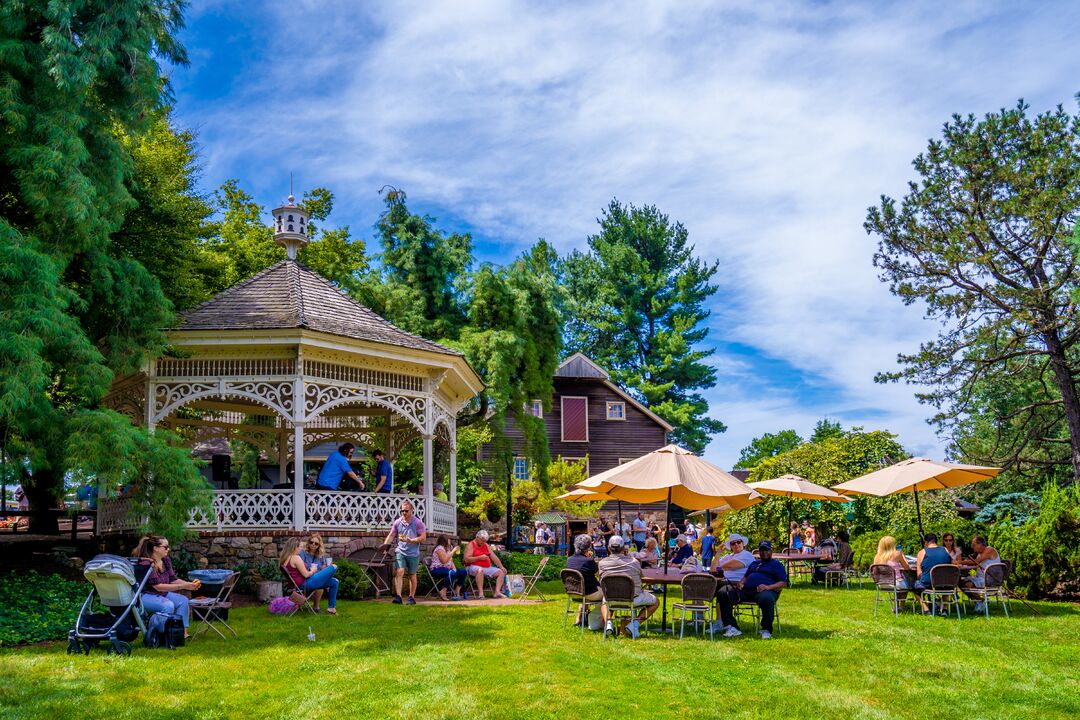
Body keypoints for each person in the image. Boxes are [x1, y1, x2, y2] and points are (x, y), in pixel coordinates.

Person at [713, 540, 787, 639]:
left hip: (765, 591)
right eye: (762, 550)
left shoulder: (776, 565)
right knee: (723, 593)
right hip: (747, 590)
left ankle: (766, 629)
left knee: (766, 598)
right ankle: (732, 627)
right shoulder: (755, 564)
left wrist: (767, 587)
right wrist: (741, 583)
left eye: (766, 550)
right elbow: (746, 576)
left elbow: (784, 583)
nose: (764, 552)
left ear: (771, 551)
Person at [135, 534, 197, 637]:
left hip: (161, 594)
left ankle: (181, 633)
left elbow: (173, 580)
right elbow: (158, 586)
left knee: (183, 600)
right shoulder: (147, 563)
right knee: (168, 605)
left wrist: (188, 584)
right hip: (144, 596)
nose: (168, 549)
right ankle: (161, 635)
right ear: (155, 548)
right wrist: (182, 586)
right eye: (165, 547)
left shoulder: (165, 560)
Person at [597, 535, 658, 638]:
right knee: (656, 601)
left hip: (611, 598)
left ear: (608, 548)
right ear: (623, 548)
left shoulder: (602, 563)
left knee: (604, 600)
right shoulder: (634, 562)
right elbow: (641, 577)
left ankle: (608, 624)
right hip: (632, 599)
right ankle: (635, 624)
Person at [280, 537, 339, 614]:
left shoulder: (286, 558)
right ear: (295, 547)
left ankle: (331, 608)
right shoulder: (296, 558)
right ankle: (324, 582)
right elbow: (306, 575)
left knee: (335, 582)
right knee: (333, 566)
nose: (301, 549)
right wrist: (312, 570)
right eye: (300, 546)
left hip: (302, 584)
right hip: (306, 583)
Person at [383, 500, 427, 604]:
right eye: (402, 510)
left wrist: (411, 540)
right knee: (399, 571)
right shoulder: (398, 522)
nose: (404, 513)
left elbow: (423, 537)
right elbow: (391, 535)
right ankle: (398, 597)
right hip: (401, 551)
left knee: (412, 575)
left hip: (413, 553)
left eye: (406, 511)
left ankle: (411, 597)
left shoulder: (417, 523)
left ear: (412, 511)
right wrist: (385, 548)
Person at [565, 534, 603, 627]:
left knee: (583, 588)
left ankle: (579, 619)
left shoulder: (569, 560)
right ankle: (602, 622)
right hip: (589, 593)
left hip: (573, 592)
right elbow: (599, 574)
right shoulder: (588, 561)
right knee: (609, 593)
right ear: (588, 547)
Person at [959, 536, 1001, 611]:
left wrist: (959, 562)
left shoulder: (989, 550)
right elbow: (975, 567)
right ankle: (979, 601)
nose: (973, 548)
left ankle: (981, 601)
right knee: (960, 582)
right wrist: (969, 572)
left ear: (980, 544)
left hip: (989, 580)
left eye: (974, 545)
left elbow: (977, 561)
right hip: (981, 578)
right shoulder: (980, 554)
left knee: (965, 584)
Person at [914, 532, 952, 613]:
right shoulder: (945, 549)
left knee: (915, 589)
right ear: (936, 541)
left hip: (929, 583)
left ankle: (926, 610)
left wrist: (920, 579)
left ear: (926, 542)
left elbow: (918, 573)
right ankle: (945, 609)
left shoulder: (922, 552)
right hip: (946, 583)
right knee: (946, 585)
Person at [464, 529, 507, 599]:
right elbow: (466, 559)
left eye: (485, 541)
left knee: (501, 572)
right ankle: (481, 594)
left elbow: (494, 557)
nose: (483, 542)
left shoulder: (486, 545)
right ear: (477, 537)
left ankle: (497, 592)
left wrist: (501, 566)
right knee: (480, 570)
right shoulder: (470, 545)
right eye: (482, 540)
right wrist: (479, 558)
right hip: (472, 566)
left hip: (486, 567)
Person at [299, 534, 332, 612]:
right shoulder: (303, 553)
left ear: (319, 545)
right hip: (306, 577)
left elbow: (323, 567)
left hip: (317, 577)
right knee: (320, 586)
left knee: (333, 581)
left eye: (316, 543)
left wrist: (327, 566)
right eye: (311, 542)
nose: (313, 544)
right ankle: (316, 607)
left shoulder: (320, 555)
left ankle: (331, 607)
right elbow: (300, 566)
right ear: (308, 542)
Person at [429, 535, 466, 601]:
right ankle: (443, 591)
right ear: (444, 541)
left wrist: (454, 569)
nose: (450, 540)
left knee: (463, 572)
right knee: (451, 573)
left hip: (447, 569)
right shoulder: (439, 548)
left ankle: (457, 590)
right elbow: (444, 561)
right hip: (437, 569)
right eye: (448, 539)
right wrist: (453, 551)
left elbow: (450, 561)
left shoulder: (447, 549)